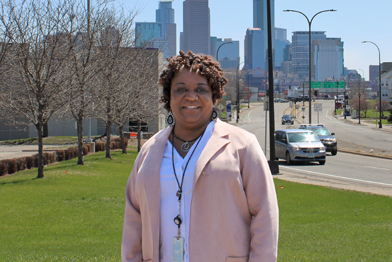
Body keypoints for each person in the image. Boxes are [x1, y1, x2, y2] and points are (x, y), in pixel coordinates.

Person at [122, 51, 279, 262]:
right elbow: (133, 221)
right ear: (169, 97)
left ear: (214, 97)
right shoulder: (149, 152)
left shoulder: (243, 146)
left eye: (201, 90)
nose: (191, 96)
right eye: (181, 89)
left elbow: (265, 217)